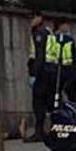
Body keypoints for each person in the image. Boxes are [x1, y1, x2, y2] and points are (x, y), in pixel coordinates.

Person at [25, 12, 52, 142]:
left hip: (41, 73)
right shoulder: (47, 31)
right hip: (48, 71)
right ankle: (47, 131)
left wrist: (35, 74)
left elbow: (40, 55)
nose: (31, 20)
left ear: (40, 18)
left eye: (33, 18)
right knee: (48, 103)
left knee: (38, 104)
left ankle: (39, 132)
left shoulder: (40, 33)